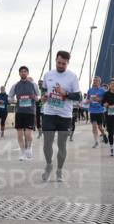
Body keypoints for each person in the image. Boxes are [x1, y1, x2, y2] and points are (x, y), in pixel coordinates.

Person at [40, 51, 82, 182]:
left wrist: (65, 93)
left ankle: (59, 170)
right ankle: (49, 165)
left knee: (61, 144)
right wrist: (45, 97)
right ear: (55, 61)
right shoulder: (48, 75)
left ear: (68, 63)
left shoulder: (72, 77)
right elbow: (45, 90)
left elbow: (79, 96)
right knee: (47, 143)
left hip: (65, 115)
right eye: (59, 62)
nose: (61, 65)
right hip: (49, 113)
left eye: (64, 63)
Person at [8, 66, 38, 160]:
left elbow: (38, 95)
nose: (23, 73)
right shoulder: (15, 85)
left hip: (30, 112)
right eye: (21, 71)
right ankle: (22, 152)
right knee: (20, 134)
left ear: (28, 73)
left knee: (28, 134)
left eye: (25, 71)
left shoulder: (33, 84)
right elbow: (9, 97)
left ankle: (29, 148)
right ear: (19, 73)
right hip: (20, 112)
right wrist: (11, 100)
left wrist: (36, 98)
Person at [86, 75, 107, 148]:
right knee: (94, 126)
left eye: (96, 81)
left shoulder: (103, 91)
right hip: (92, 111)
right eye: (94, 80)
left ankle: (104, 134)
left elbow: (106, 100)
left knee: (100, 127)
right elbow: (88, 99)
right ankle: (96, 141)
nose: (94, 82)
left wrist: (99, 99)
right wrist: (85, 102)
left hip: (100, 111)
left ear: (99, 82)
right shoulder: (90, 90)